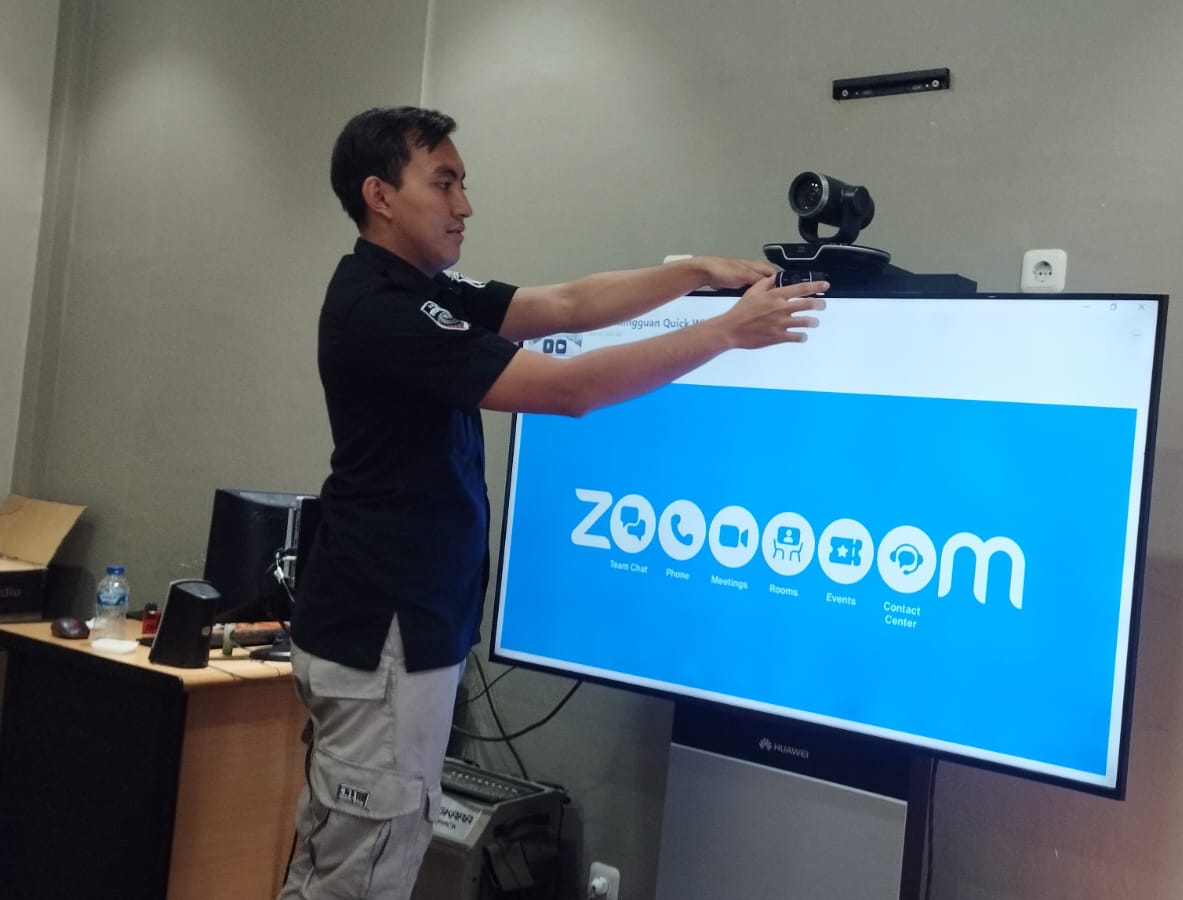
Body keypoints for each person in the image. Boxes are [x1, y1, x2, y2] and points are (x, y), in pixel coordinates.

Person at [278, 106, 826, 900]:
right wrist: (725, 334)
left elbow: (567, 305)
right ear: (380, 195)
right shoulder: (381, 309)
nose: (465, 204)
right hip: (382, 636)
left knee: (351, 862)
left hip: (398, 627)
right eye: (444, 183)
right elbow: (569, 389)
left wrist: (693, 275)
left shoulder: (422, 289)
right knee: (360, 877)